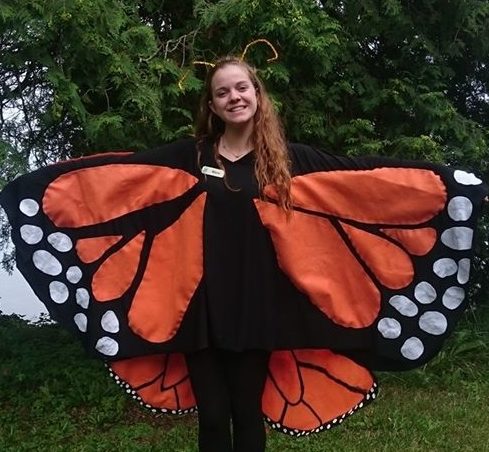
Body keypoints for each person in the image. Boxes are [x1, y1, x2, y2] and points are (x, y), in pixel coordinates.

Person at [0, 55, 487, 452]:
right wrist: (37, 191)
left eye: (241, 88)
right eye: (222, 92)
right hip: (199, 311)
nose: (234, 97)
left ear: (257, 95)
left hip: (259, 309)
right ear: (212, 105)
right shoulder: (191, 156)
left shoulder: (290, 159)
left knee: (248, 416)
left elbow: (363, 181)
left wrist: (455, 186)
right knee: (212, 418)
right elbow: (124, 179)